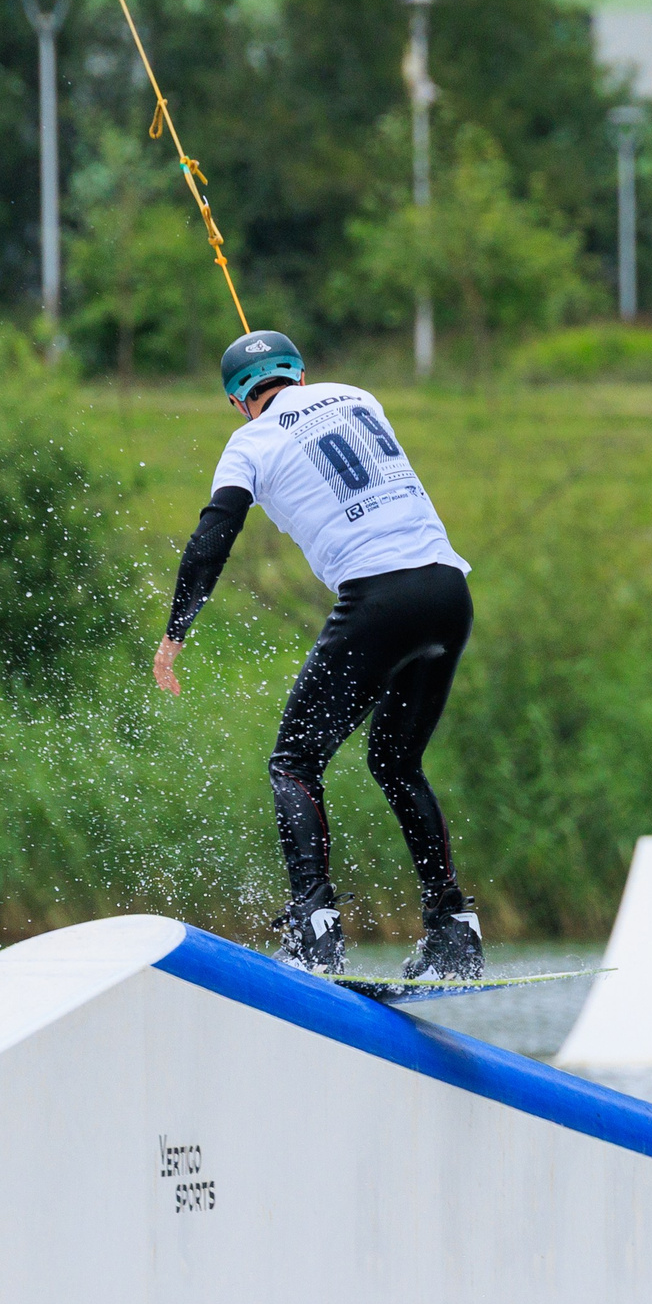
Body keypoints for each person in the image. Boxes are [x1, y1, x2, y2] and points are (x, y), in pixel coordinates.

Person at [152, 329, 484, 984]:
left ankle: (315, 931)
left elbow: (212, 539)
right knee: (397, 761)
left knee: (295, 762)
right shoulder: (359, 396)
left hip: (379, 599)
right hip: (448, 591)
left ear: (236, 402)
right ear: (300, 375)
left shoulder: (248, 442)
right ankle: (454, 932)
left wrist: (175, 633)